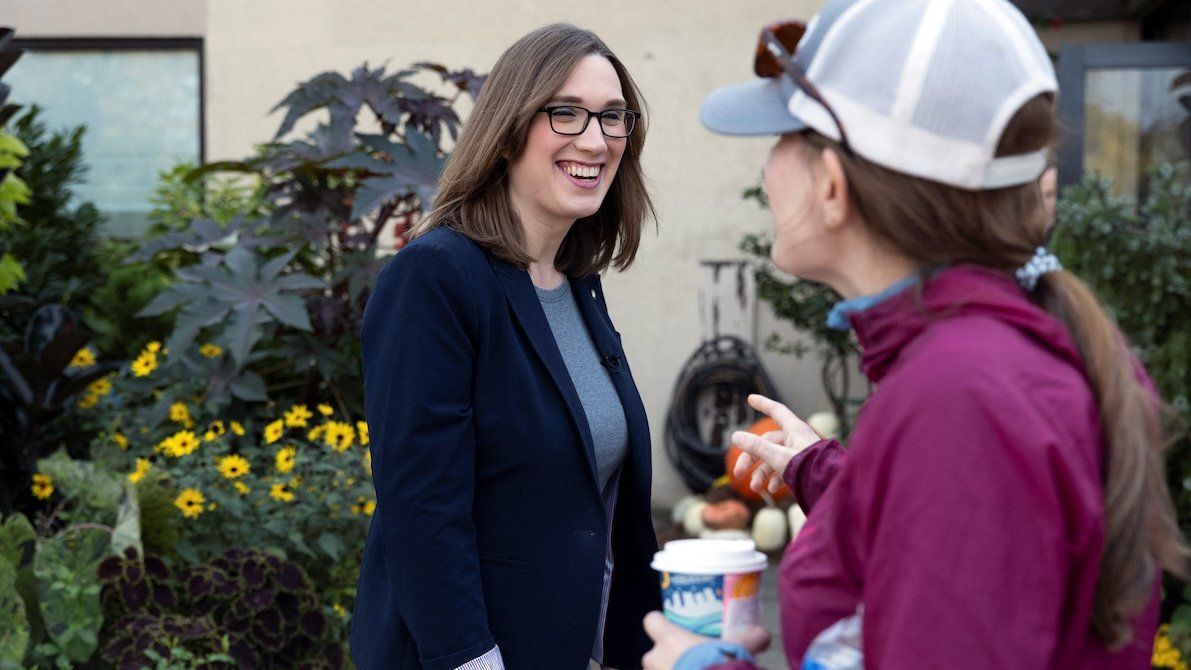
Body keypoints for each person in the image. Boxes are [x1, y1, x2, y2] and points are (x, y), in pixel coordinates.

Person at [643, 1, 1188, 668]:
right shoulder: (979, 363)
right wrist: (824, 471)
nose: (767, 167)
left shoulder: (960, 396)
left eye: (782, 136)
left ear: (833, 188)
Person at [351, 23, 661, 670]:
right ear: (510, 129)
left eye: (612, 118)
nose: (595, 140)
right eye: (566, 113)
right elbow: (421, 512)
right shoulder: (435, 280)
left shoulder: (577, 282)